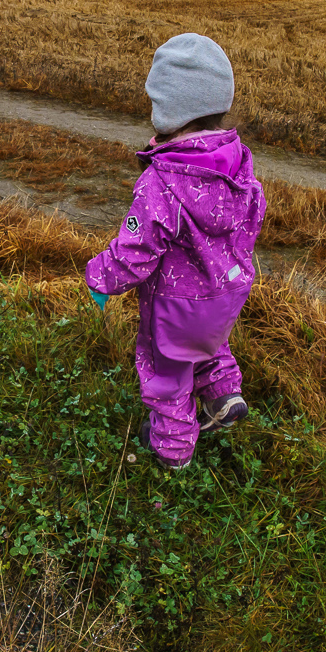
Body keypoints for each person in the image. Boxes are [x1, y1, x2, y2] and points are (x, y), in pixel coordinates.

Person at [86, 33, 266, 470]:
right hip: (225, 293)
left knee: (167, 374)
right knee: (210, 342)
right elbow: (252, 215)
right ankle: (224, 392)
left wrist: (100, 276)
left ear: (168, 111)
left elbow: (136, 250)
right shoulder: (237, 161)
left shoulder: (162, 182)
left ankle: (172, 451)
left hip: (172, 307)